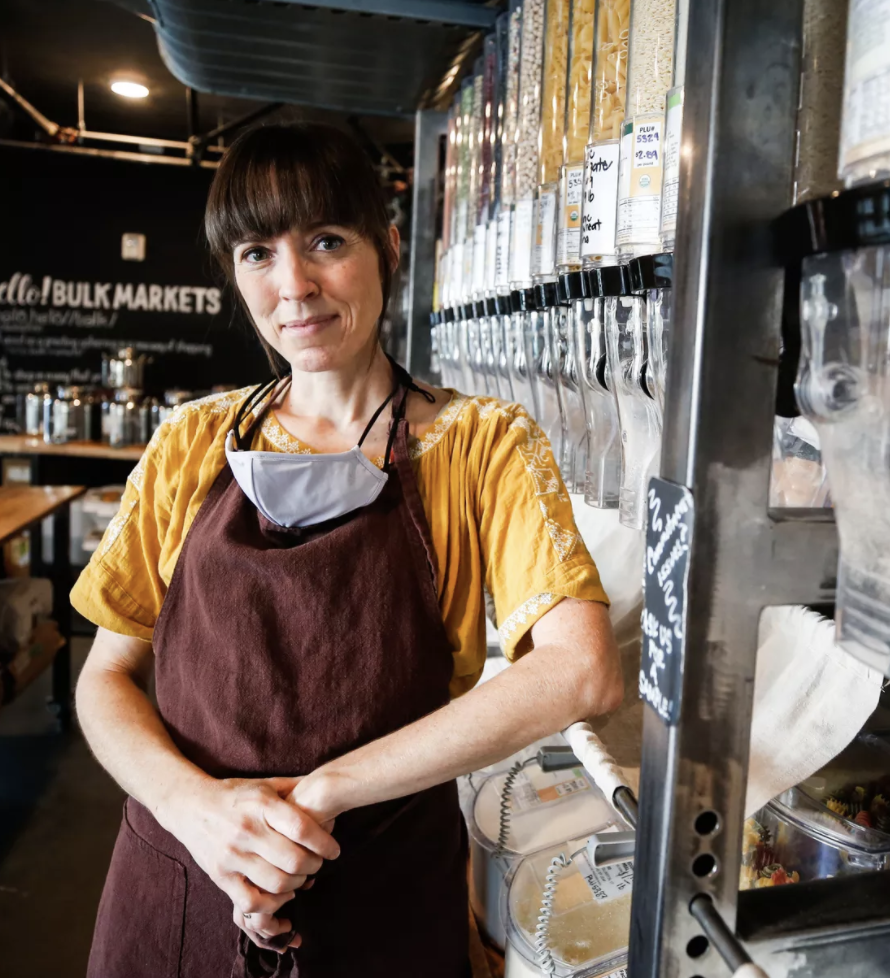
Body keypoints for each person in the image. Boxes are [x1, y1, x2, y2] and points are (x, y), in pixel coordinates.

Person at [71, 122, 622, 977]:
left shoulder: (482, 444)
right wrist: (201, 812)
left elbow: (580, 670)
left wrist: (322, 794)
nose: (295, 285)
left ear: (388, 247)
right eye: (258, 253)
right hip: (184, 879)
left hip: (383, 896)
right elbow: (105, 676)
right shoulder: (190, 442)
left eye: (327, 241)